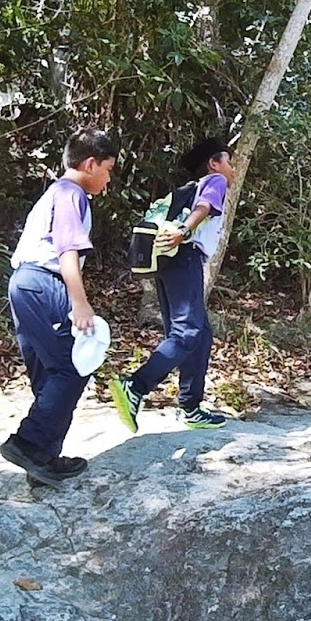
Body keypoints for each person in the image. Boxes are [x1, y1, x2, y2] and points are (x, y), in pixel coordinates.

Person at [0, 127, 119, 487]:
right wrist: (79, 303)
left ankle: (43, 458)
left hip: (23, 283)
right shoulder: (71, 194)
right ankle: (29, 443)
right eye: (108, 169)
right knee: (72, 366)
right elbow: (67, 249)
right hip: (42, 282)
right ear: (90, 163)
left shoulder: (56, 192)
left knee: (49, 371)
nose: (108, 178)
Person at [111, 138, 235, 432]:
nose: (231, 169)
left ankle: (191, 406)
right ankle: (136, 385)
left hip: (168, 262)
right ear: (214, 163)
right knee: (188, 331)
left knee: (200, 334)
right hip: (185, 256)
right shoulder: (215, 180)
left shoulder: (190, 188)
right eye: (228, 161)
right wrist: (184, 230)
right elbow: (205, 207)